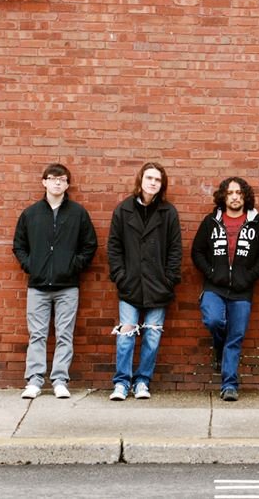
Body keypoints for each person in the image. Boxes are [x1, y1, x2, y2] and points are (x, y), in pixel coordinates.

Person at [12, 163, 98, 400]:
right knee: (37, 335)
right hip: (38, 286)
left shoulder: (78, 213)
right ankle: (34, 381)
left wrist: (73, 266)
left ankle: (60, 380)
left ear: (67, 185)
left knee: (64, 335)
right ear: (44, 182)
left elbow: (89, 245)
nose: (57, 182)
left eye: (62, 179)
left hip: (67, 287)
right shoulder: (31, 214)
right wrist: (32, 266)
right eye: (53, 178)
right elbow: (19, 245)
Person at [106, 162, 182, 401]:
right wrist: (120, 276)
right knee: (126, 335)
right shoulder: (124, 210)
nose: (153, 183)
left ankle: (142, 381)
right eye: (149, 178)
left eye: (157, 180)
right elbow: (114, 247)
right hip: (130, 285)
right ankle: (121, 382)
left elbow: (175, 250)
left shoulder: (168, 213)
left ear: (162, 185)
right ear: (140, 180)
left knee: (152, 336)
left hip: (158, 286)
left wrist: (169, 279)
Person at [191, 177, 259, 402]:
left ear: (245, 196)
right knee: (213, 321)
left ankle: (229, 385)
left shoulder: (256, 222)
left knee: (235, 337)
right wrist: (211, 273)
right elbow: (197, 252)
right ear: (223, 197)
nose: (235, 197)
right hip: (214, 287)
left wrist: (248, 277)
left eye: (239, 193)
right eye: (230, 193)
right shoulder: (211, 221)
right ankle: (219, 348)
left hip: (242, 291)